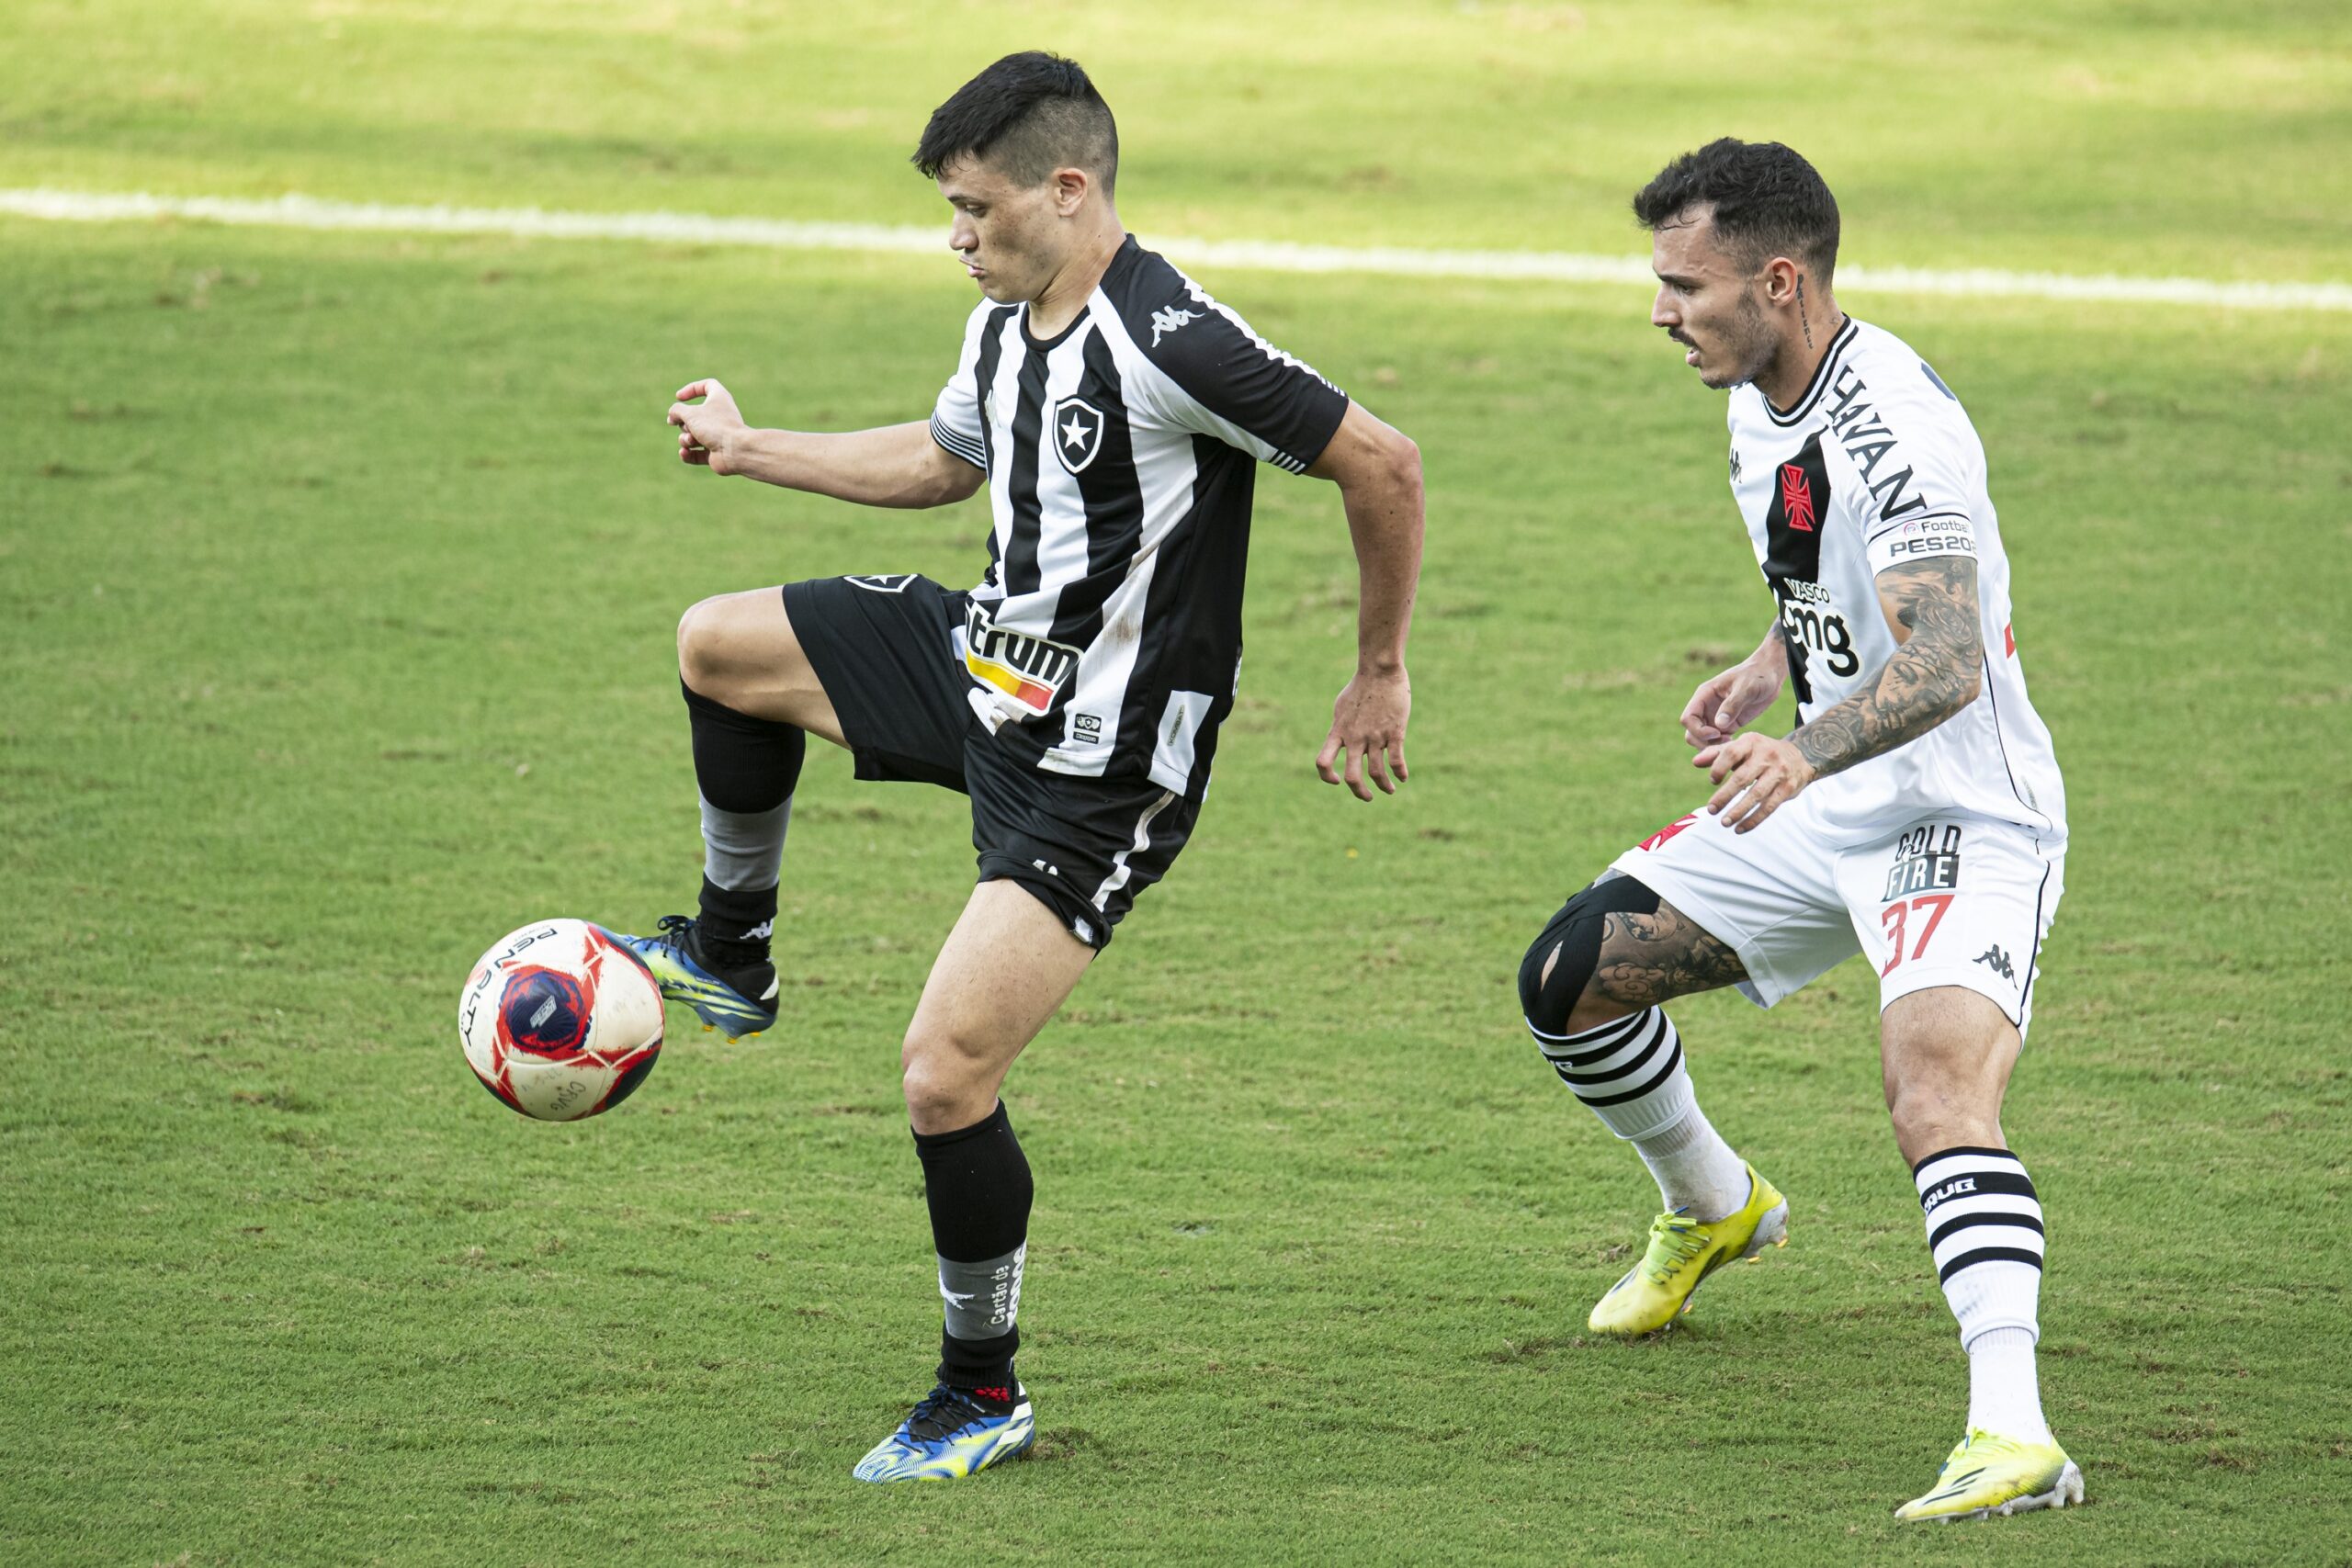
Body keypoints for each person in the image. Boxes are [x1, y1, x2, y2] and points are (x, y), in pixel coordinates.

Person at [618, 51, 1424, 1483]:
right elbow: (942, 463)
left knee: (944, 1072)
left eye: (975, 208)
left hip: (1099, 772)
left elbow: (1385, 461)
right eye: (950, 209)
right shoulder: (1009, 317)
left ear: (1069, 190)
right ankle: (732, 954)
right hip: (984, 666)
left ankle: (981, 1394)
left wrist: (1377, 669)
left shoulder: (1175, 338)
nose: (957, 235)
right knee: (716, 646)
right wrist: (749, 450)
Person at [1515, 138, 2079, 1523]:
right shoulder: (1761, 385)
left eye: (1683, 286)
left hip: (1955, 812)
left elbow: (1944, 659)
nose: (1661, 312)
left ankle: (2013, 1434)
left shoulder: (1896, 424)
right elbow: (1831, 557)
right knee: (1570, 980)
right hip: (1823, 789)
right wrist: (1776, 661)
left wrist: (1800, 745)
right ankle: (1714, 1204)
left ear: (1778, 279)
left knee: (1935, 1096)